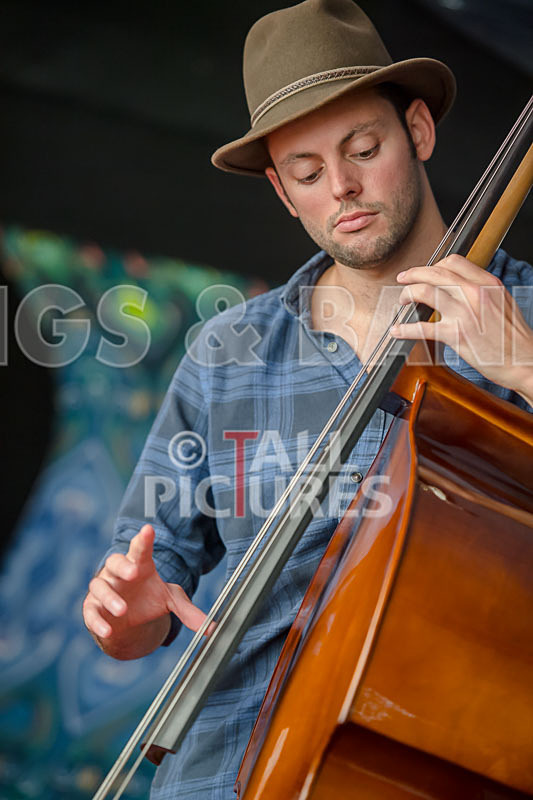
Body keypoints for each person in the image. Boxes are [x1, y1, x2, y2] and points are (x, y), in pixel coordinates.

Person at [83, 0, 533, 797]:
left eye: (364, 148)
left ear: (419, 131)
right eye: (307, 173)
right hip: (217, 771)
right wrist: (130, 620)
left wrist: (523, 366)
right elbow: (151, 587)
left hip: (428, 764)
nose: (344, 188)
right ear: (281, 193)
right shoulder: (227, 355)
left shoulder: (523, 320)